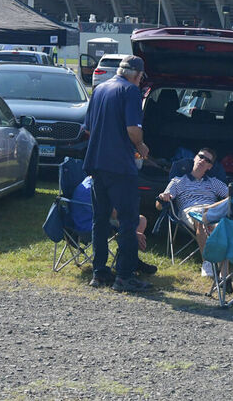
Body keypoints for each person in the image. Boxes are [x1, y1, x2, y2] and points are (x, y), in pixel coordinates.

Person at [84, 55, 152, 293]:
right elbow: (133, 129)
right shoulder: (131, 92)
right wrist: (140, 146)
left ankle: (99, 271)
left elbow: (89, 128)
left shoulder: (100, 89)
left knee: (100, 219)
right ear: (137, 75)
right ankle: (124, 275)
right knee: (128, 220)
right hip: (120, 167)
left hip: (96, 162)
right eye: (141, 77)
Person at [158, 147, 228, 276]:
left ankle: (223, 268)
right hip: (190, 210)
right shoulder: (178, 181)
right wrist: (163, 197)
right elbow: (159, 204)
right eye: (201, 156)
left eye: (207, 160)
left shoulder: (214, 182)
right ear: (195, 158)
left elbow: (232, 195)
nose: (202, 160)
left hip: (211, 210)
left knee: (224, 225)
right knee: (200, 220)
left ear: (210, 167)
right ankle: (208, 263)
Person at [71, 175, 156, 276]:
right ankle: (127, 262)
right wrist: (132, 231)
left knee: (141, 219)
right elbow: (114, 213)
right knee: (137, 221)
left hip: (94, 219)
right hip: (90, 226)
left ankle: (130, 260)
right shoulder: (94, 187)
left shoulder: (91, 181)